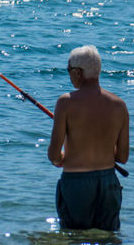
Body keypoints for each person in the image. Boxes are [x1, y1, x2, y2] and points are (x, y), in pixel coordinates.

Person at [47, 45, 129, 231]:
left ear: (78, 72)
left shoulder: (65, 102)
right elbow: (122, 157)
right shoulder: (119, 105)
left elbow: (53, 155)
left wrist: (61, 158)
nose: (69, 75)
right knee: (108, 241)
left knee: (73, 242)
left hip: (77, 184)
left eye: (69, 70)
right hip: (109, 183)